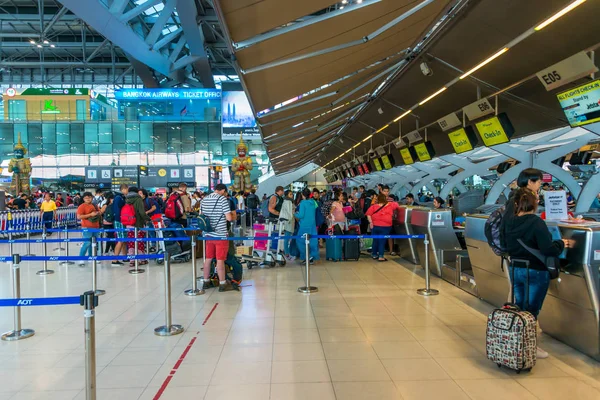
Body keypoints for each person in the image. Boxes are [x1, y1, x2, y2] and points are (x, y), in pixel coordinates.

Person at [501, 188, 568, 359]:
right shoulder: (536, 222)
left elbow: (504, 245)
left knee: (520, 308)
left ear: (516, 204)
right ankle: (530, 347)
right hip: (536, 272)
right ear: (535, 204)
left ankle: (517, 343)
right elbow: (548, 249)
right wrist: (561, 243)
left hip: (516, 268)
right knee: (531, 312)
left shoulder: (510, 222)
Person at [200, 183, 235, 292]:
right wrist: (233, 216)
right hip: (220, 234)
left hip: (208, 234)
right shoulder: (222, 200)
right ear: (223, 190)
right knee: (220, 260)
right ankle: (222, 284)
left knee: (208, 258)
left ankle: (206, 282)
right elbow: (229, 218)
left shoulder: (204, 199)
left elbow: (201, 215)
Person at [366, 193, 401, 262]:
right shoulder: (390, 205)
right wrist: (390, 201)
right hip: (385, 226)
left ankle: (374, 254)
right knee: (382, 241)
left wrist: (371, 222)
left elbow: (368, 214)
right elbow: (397, 205)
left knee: (375, 240)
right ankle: (381, 256)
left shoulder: (374, 206)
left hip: (375, 226)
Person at [124, 187, 151, 267]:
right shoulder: (138, 199)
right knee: (139, 242)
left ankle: (132, 260)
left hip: (129, 224)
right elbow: (142, 212)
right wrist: (148, 219)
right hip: (138, 224)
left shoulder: (127, 199)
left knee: (131, 243)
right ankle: (142, 259)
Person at [295, 188, 320, 264]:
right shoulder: (313, 202)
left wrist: (294, 213)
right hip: (312, 225)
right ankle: (312, 256)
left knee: (300, 241)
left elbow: (301, 215)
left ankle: (306, 257)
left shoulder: (303, 203)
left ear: (303, 195)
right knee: (313, 241)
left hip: (304, 225)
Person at [77, 192, 102, 266]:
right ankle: (81, 258)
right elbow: (79, 217)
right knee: (87, 243)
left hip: (96, 226)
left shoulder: (94, 205)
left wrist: (98, 213)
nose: (88, 199)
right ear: (83, 199)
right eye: (86, 198)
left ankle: (92, 257)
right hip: (86, 227)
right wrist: (90, 215)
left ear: (92, 198)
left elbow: (99, 212)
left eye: (89, 197)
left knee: (94, 243)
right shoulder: (82, 206)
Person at [111, 185, 129, 267]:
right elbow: (118, 210)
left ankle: (125, 257)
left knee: (124, 240)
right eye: (127, 189)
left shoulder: (120, 197)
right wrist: (121, 218)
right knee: (121, 240)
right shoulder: (119, 198)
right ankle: (115, 260)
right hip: (119, 221)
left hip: (121, 220)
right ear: (124, 189)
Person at [279, 190, 296, 260]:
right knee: (287, 237)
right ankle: (287, 253)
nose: (292, 195)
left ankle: (286, 251)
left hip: (288, 221)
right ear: (287, 195)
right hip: (288, 221)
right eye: (290, 194)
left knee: (287, 237)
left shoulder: (287, 201)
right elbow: (290, 213)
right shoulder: (288, 202)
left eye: (292, 194)